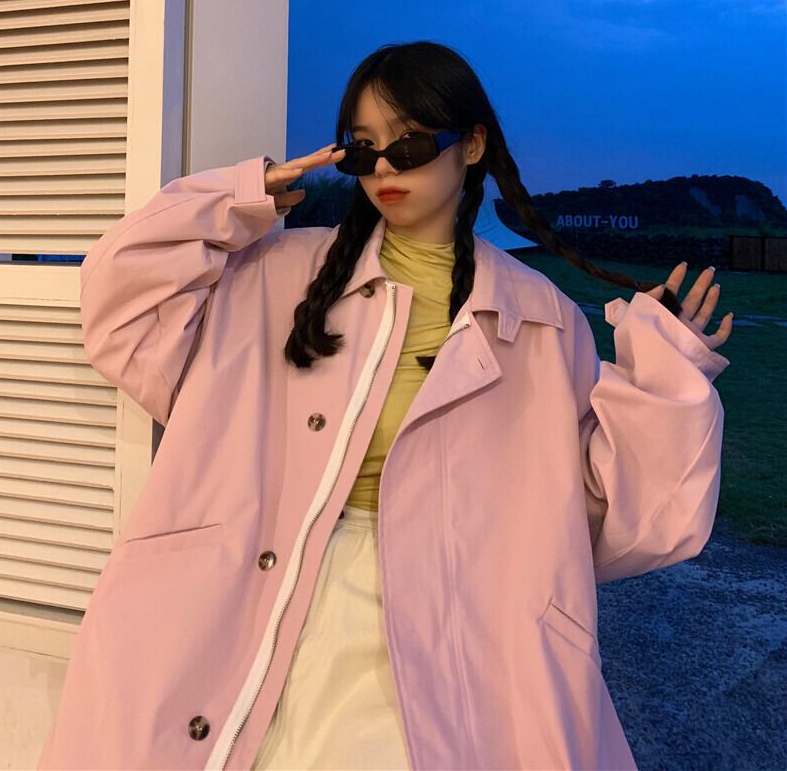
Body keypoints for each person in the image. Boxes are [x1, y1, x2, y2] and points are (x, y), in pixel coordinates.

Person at [38, 40, 732, 771]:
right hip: (251, 598)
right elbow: (121, 304)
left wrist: (664, 374)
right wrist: (239, 197)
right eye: (364, 149)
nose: (385, 168)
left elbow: (619, 521)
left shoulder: (542, 318)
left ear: (472, 145)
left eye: (409, 143)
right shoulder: (272, 275)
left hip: (448, 631)